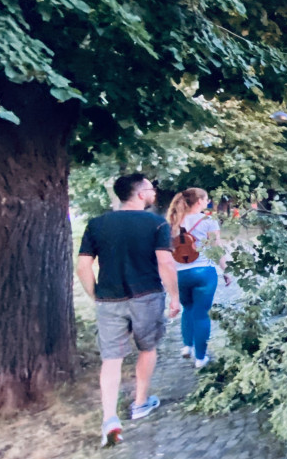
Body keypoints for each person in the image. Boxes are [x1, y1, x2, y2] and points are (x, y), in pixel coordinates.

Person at [76, 174, 181, 448]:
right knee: (147, 348)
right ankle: (140, 403)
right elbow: (165, 264)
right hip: (146, 296)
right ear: (139, 194)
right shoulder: (156, 223)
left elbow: (83, 266)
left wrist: (95, 294)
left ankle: (109, 418)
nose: (154, 193)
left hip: (109, 299)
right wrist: (175, 297)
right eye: (150, 189)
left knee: (111, 359)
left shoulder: (97, 224)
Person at [165, 188, 232, 369]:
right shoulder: (208, 221)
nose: (208, 202)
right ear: (200, 201)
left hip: (180, 274)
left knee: (188, 309)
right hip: (204, 272)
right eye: (206, 199)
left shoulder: (172, 222)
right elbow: (217, 248)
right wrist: (226, 270)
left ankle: (187, 346)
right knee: (202, 315)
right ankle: (200, 358)